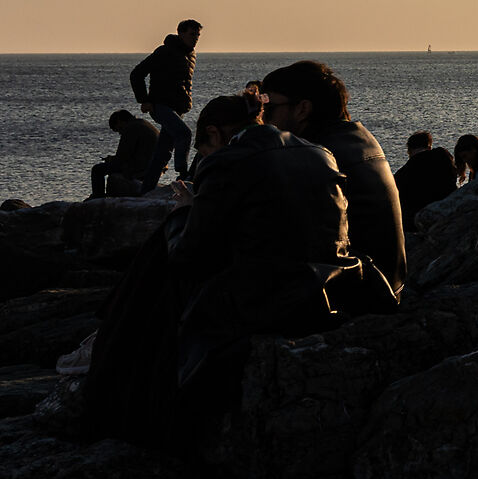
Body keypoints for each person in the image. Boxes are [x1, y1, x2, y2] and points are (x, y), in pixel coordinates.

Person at [84, 92, 352, 441]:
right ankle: (104, 334)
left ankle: (108, 354)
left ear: (214, 133)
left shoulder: (226, 161)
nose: (205, 159)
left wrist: (183, 211)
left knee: (161, 248)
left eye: (204, 151)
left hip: (268, 297)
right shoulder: (320, 153)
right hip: (329, 285)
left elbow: (189, 257)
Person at [258, 61, 407, 285]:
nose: (262, 119)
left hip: (355, 297)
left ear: (302, 109)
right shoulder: (361, 139)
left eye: (267, 109)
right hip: (386, 283)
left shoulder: (318, 159)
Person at [129, 19, 201, 190]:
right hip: (159, 104)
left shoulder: (191, 54)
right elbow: (137, 74)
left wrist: (185, 103)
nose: (196, 38)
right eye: (192, 34)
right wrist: (144, 100)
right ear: (180, 33)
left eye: (198, 35)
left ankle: (147, 188)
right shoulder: (164, 52)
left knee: (163, 152)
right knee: (184, 133)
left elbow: (185, 83)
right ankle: (184, 174)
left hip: (178, 108)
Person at [391, 131, 458, 229]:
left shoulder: (403, 174)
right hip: (449, 209)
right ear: (429, 146)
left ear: (409, 150)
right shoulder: (443, 156)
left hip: (416, 221)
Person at [92, 109, 161, 198]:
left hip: (142, 168)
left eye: (118, 129)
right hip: (153, 166)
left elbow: (122, 158)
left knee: (97, 169)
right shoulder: (143, 124)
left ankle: (97, 197)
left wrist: (110, 160)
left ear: (120, 121)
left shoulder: (131, 128)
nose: (120, 133)